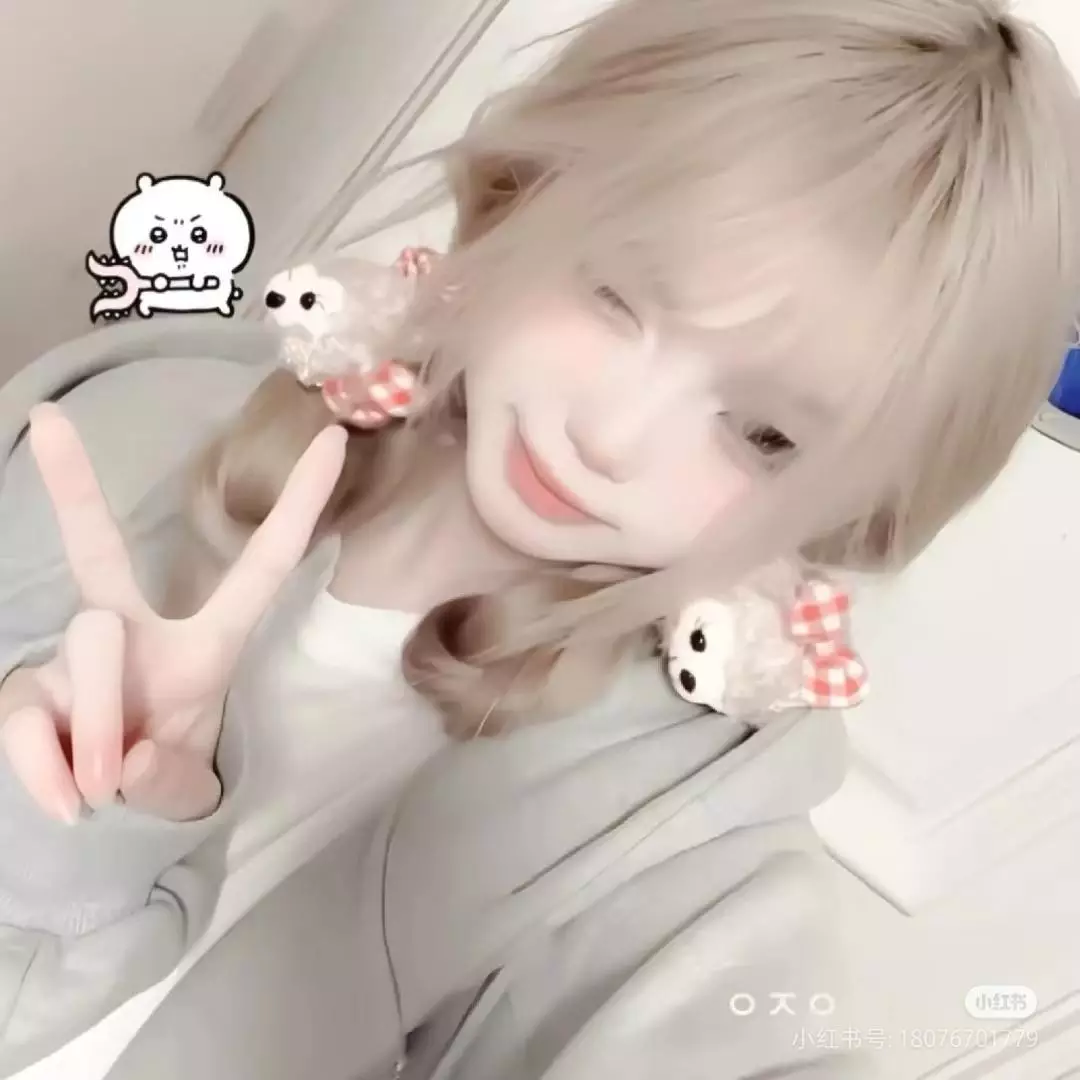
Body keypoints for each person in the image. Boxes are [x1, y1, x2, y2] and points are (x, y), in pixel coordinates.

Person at [2, 0, 1079, 1077]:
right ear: (524, 189)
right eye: (617, 293)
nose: (610, 436)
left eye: (764, 434)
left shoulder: (673, 842)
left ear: (844, 516)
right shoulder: (130, 429)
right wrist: (60, 825)